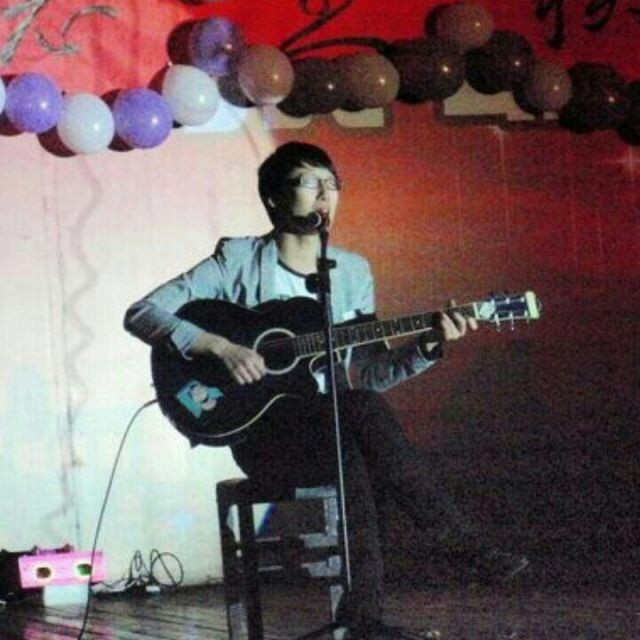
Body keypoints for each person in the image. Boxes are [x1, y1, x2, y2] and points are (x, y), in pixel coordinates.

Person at [124, 141, 528, 639]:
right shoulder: (238, 260)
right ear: (274, 197)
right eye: (309, 182)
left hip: (332, 425)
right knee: (356, 419)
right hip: (263, 433)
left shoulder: (352, 273)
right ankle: (460, 548)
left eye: (332, 184)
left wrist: (428, 344)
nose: (324, 194)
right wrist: (219, 347)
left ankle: (365, 621)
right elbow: (142, 312)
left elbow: (371, 373)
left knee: (352, 432)